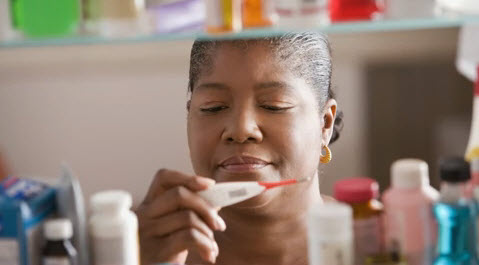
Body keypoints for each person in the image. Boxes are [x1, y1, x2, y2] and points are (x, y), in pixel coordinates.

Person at [136, 31, 344, 265]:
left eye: (274, 105)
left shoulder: (374, 240)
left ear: (325, 123)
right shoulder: (141, 247)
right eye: (212, 107)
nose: (241, 130)